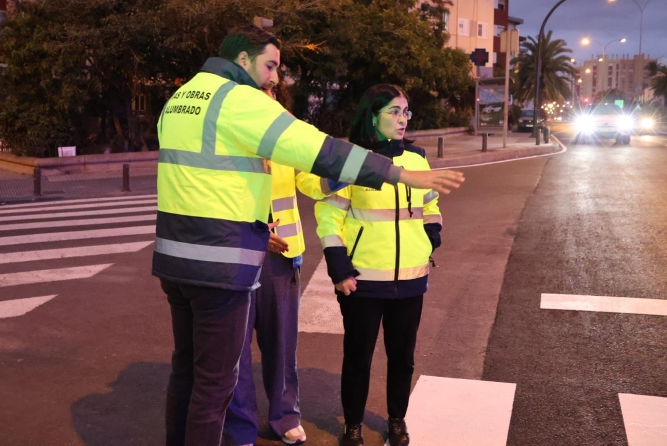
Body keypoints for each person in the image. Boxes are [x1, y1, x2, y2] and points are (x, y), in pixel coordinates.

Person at [154, 26, 463, 446]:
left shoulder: (183, 97)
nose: (275, 78)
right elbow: (317, 149)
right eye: (270, 65)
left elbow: (205, 186)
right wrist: (400, 172)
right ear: (243, 60)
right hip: (220, 263)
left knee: (188, 373)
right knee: (215, 385)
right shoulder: (237, 99)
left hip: (177, 259)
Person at [313, 84, 443, 446]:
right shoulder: (352, 160)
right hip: (363, 280)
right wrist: (338, 265)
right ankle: (352, 424)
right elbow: (329, 214)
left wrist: (432, 232)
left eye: (406, 112)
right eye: (394, 111)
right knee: (358, 358)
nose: (402, 119)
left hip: (412, 278)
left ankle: (397, 419)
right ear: (372, 115)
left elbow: (430, 202)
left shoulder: (417, 159)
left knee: (403, 358)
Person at [225, 83, 308, 446]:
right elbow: (219, 199)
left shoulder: (286, 142)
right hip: (240, 255)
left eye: (272, 91)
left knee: (282, 343)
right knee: (236, 348)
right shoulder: (229, 142)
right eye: (261, 90)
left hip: (282, 257)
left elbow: (313, 179)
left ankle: (285, 417)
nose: (268, 97)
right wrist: (254, 232)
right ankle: (241, 428)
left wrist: (342, 173)